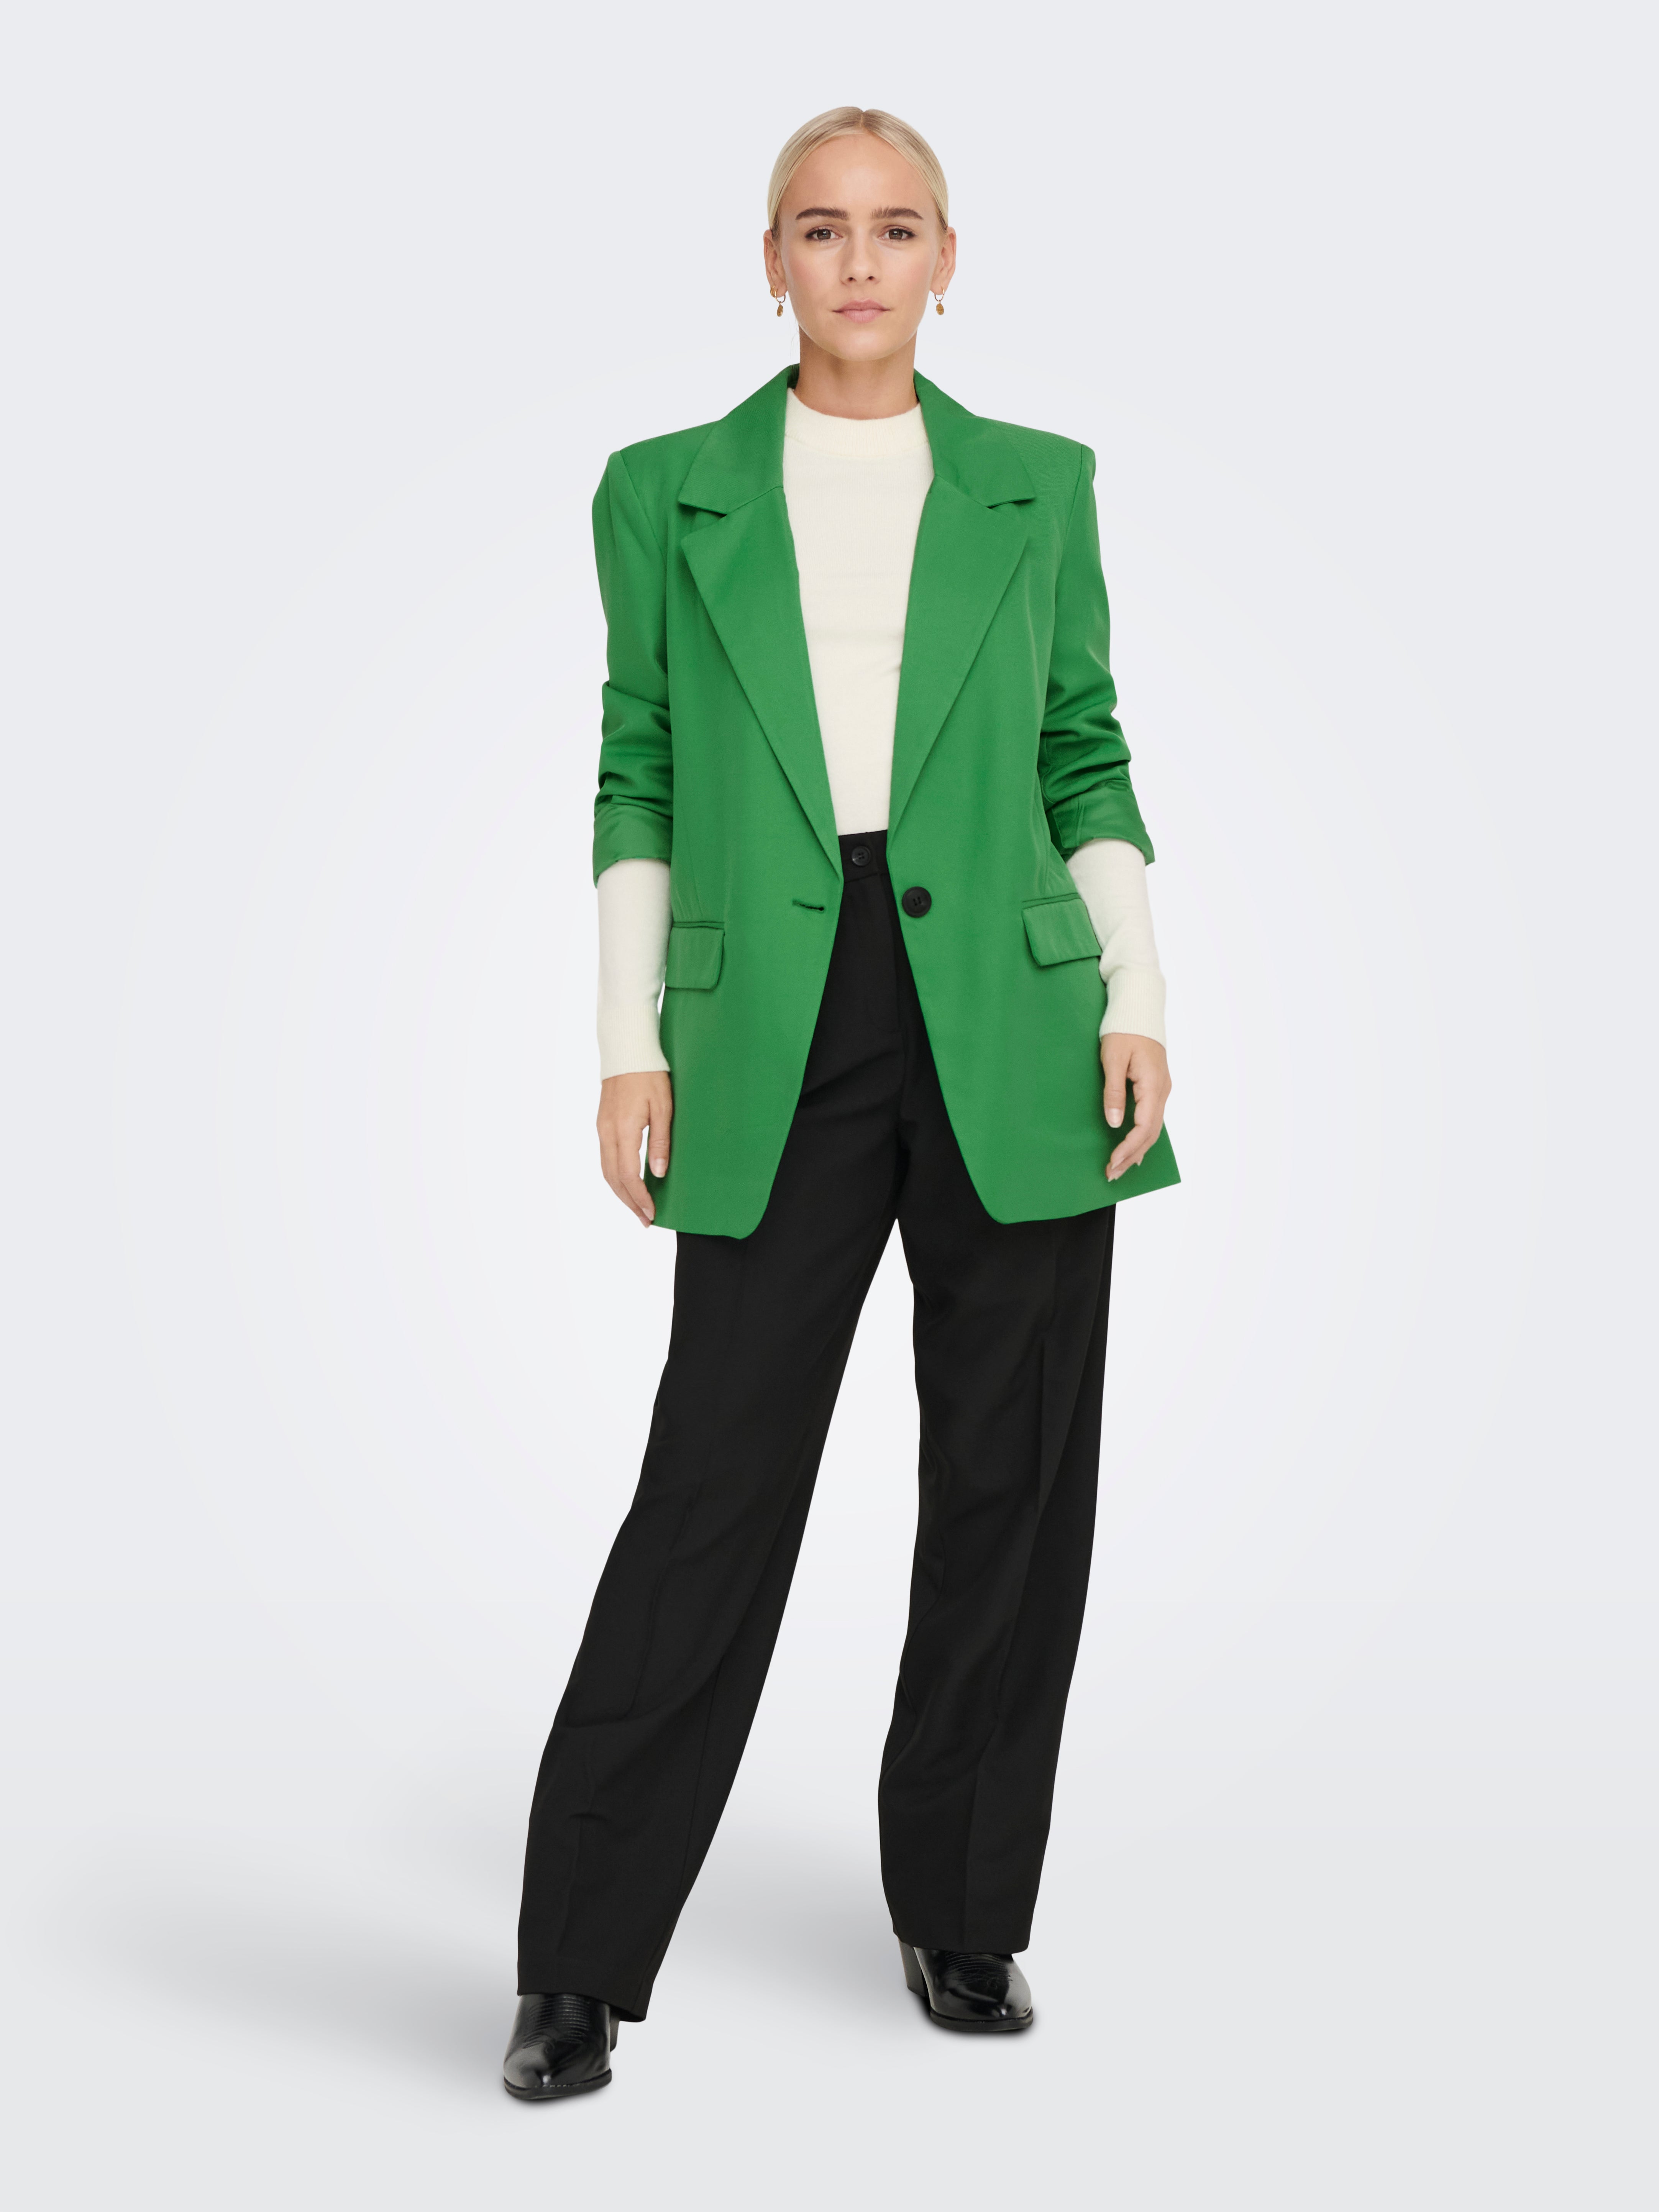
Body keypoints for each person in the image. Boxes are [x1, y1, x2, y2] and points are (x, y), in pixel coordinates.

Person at [504, 106, 1178, 2099]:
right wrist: (629, 1037)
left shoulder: (1040, 484)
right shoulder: (666, 491)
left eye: (896, 229)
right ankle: (577, 1960)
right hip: (771, 1025)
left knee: (1010, 1483)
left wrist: (1139, 993)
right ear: (774, 262)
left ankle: (963, 1909)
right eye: (822, 229)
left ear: (948, 261)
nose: (860, 262)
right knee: (713, 1481)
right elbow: (638, 764)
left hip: (1019, 1014)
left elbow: (1083, 750)